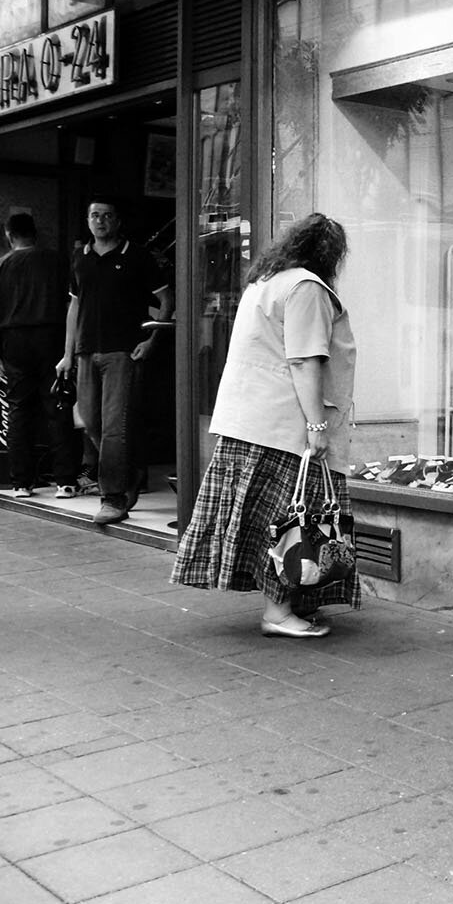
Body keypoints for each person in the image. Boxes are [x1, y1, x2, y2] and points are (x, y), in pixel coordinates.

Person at [171, 214, 359, 638]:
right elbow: (304, 359)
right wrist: (317, 425)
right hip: (283, 425)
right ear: (330, 255)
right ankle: (278, 613)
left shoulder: (266, 282)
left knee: (272, 520)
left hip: (250, 420)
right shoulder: (307, 288)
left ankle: (285, 604)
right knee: (292, 520)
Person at [56, 196, 172, 525]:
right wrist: (67, 355)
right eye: (94, 215)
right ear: (87, 220)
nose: (100, 221)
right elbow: (74, 307)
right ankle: (131, 468)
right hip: (86, 351)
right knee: (91, 422)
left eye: (107, 215)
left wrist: (152, 340)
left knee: (113, 429)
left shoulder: (137, 256)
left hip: (123, 351)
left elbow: (167, 300)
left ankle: (114, 497)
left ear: (117, 221)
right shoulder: (80, 257)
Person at [0, 213, 79, 499]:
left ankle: (21, 482)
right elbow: (73, 301)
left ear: (9, 235)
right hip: (52, 336)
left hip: (14, 341)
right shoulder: (57, 260)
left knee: (18, 409)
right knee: (58, 406)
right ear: (35, 234)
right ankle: (66, 481)